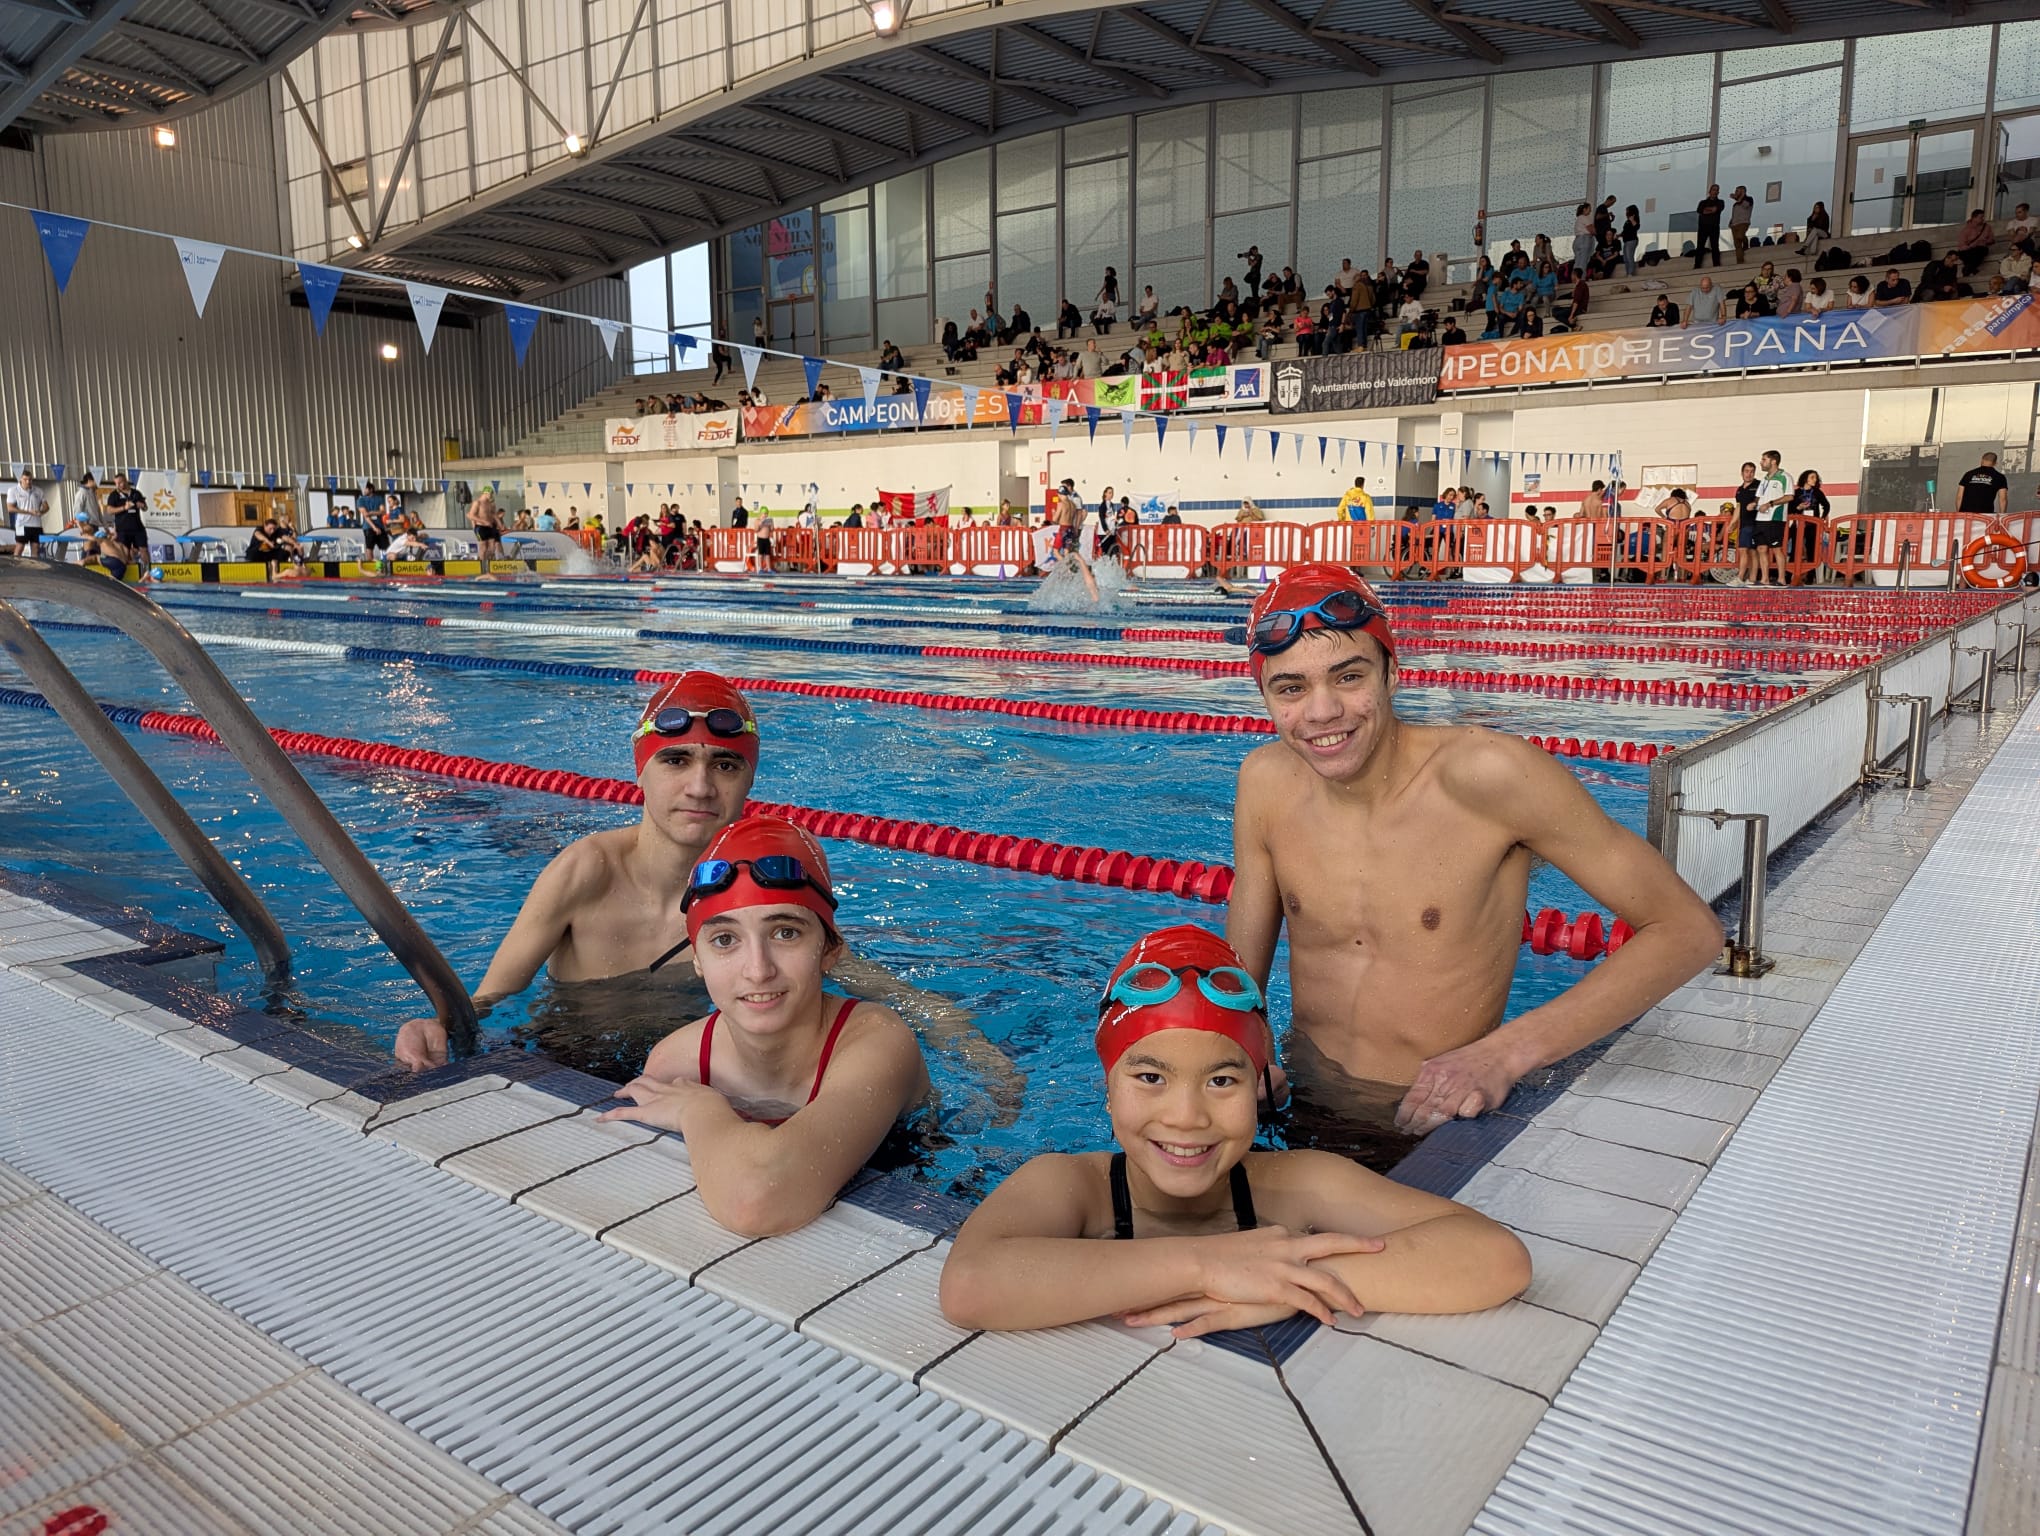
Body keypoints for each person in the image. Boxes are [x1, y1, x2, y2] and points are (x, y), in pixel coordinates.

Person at [1224, 569, 1719, 1167]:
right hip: (1294, 1107)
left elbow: (1686, 931)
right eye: (1291, 688)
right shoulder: (1265, 782)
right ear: (1265, 698)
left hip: (1434, 1123)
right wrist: (1234, 1057)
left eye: (1348, 677)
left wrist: (1505, 1054)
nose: (1323, 711)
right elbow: (1237, 980)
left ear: (1392, 672)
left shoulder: (1490, 776)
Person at [938, 924, 1531, 1335]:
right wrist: (1207, 1266)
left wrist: (1288, 1283)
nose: (1187, 1117)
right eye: (1150, 1077)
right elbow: (970, 1286)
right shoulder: (1071, 1186)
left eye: (1222, 1082)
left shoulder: (1302, 1183)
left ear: (1258, 1089)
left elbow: (1496, 1259)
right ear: (1107, 1090)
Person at [595, 817, 930, 1237]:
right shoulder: (676, 1061)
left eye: (785, 932)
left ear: (828, 950)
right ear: (697, 960)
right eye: (724, 940)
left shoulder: (878, 1039)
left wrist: (699, 1109)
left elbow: (758, 1202)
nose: (757, 970)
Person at [1750, 449, 1792, 586]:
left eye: (1764, 460)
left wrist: (1770, 504)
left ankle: (1781, 578)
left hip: (1775, 518)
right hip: (1760, 518)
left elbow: (1789, 496)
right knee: (1761, 548)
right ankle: (1765, 578)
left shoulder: (1784, 477)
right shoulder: (1764, 479)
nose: (1761, 462)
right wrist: (1754, 503)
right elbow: (1759, 496)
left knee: (1776, 548)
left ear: (1773, 461)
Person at [1788, 469, 1831, 585]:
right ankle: (1789, 574)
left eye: (1816, 478)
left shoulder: (1817, 492)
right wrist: (1798, 507)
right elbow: (1789, 509)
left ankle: (1810, 576)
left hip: (1813, 524)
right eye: (1812, 477)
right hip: (1798, 523)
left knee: (1811, 549)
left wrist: (1822, 518)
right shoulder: (1796, 493)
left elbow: (1826, 505)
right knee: (1795, 549)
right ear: (1805, 478)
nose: (1814, 480)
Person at [103, 474, 150, 571]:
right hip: (123, 529)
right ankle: (129, 572)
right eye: (116, 483)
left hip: (138, 528)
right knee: (125, 552)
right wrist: (124, 508)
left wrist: (142, 505)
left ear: (125, 480)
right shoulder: (114, 495)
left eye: (120, 482)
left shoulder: (136, 493)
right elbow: (109, 510)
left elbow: (145, 508)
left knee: (143, 549)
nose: (118, 485)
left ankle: (148, 571)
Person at [1728, 460, 1761, 587]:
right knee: (1748, 551)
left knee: (1747, 551)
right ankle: (1751, 579)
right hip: (1744, 523)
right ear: (1742, 473)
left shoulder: (1758, 485)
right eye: (1747, 471)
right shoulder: (1740, 490)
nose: (1749, 474)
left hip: (1754, 523)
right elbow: (1739, 507)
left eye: (1752, 472)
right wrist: (1733, 523)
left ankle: (1742, 578)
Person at [7, 469, 48, 558]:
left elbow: (46, 507)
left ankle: (34, 570)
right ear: (20, 479)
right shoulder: (13, 490)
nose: (28, 482)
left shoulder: (38, 491)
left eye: (30, 479)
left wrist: (41, 512)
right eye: (25, 479)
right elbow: (10, 508)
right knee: (20, 547)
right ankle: (16, 567)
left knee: (35, 548)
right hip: (22, 524)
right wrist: (28, 512)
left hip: (36, 525)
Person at [1957, 451, 2010, 519]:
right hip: (1985, 516)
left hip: (1966, 515)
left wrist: (1959, 514)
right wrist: (2002, 517)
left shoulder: (1968, 474)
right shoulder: (1999, 477)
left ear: (1982, 460)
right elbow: (2003, 499)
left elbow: (1959, 496)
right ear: (1995, 463)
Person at [468, 487, 504, 574]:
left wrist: (500, 524)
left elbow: (493, 514)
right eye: (491, 494)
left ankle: (487, 565)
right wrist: (483, 521)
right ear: (486, 493)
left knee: (492, 548)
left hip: (490, 527)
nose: (492, 496)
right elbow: (470, 515)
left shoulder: (490, 504)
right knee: (483, 548)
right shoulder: (477, 503)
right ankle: (482, 568)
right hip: (481, 527)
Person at [1694, 184, 1724, 267]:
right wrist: (1711, 210)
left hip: (1714, 226)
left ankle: (1716, 264)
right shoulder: (1702, 202)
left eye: (1716, 190)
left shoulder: (1720, 202)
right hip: (1703, 227)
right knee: (1700, 246)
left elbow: (1714, 210)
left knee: (1715, 246)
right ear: (1710, 191)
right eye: (1713, 189)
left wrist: (1708, 210)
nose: (1715, 191)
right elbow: (1701, 211)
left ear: (1718, 192)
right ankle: (1697, 265)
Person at [1728, 185, 1754, 263]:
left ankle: (1746, 242)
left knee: (1740, 236)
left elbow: (1745, 205)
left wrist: (1741, 197)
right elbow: (1734, 214)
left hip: (1743, 222)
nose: (1735, 192)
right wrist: (1731, 222)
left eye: (1737, 191)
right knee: (1737, 244)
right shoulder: (1735, 204)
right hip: (1734, 224)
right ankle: (1740, 261)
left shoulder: (1749, 199)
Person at [753, 507, 776, 574]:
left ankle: (769, 569)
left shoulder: (768, 520)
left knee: (768, 554)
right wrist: (760, 525)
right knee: (760, 554)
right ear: (761, 513)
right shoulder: (757, 520)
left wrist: (771, 525)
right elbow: (756, 530)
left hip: (767, 539)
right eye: (764, 513)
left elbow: (772, 530)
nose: (765, 515)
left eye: (766, 514)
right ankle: (760, 568)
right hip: (760, 539)